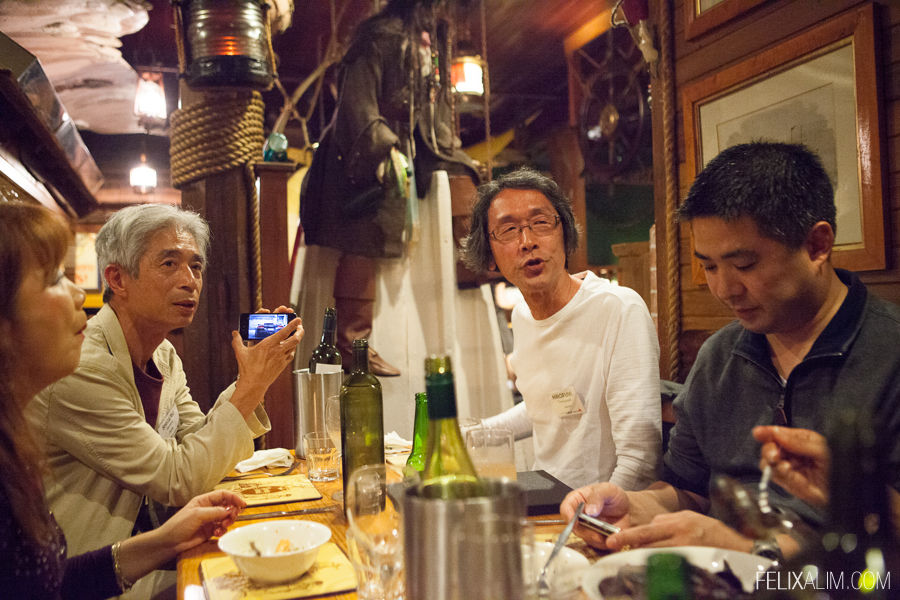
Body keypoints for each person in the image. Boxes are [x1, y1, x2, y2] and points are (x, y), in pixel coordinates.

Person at [560, 142, 900, 561]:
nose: (724, 289)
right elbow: (686, 489)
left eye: (744, 266)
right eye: (709, 266)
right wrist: (635, 506)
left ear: (817, 245)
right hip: (718, 578)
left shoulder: (888, 354)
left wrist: (753, 552)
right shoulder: (720, 356)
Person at [26, 204, 303, 595]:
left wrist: (251, 379)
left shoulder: (163, 354)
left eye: (196, 266)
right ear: (117, 278)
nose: (189, 281)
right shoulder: (84, 366)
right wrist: (252, 386)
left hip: (153, 551)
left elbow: (196, 441)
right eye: (169, 263)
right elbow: (179, 478)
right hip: (92, 575)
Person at [300, 0, 479, 376]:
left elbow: (431, 116)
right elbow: (358, 105)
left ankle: (473, 268)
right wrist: (384, 147)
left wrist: (449, 151)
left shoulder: (428, 42)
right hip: (356, 159)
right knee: (364, 227)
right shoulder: (378, 38)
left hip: (412, 146)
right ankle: (352, 342)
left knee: (463, 176)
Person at [461, 167, 661, 490]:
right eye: (509, 230)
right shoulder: (523, 316)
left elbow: (640, 460)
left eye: (541, 223)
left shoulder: (619, 310)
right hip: (545, 498)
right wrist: (469, 434)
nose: (527, 242)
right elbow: (543, 406)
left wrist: (594, 512)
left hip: (601, 508)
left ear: (564, 234)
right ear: (490, 257)